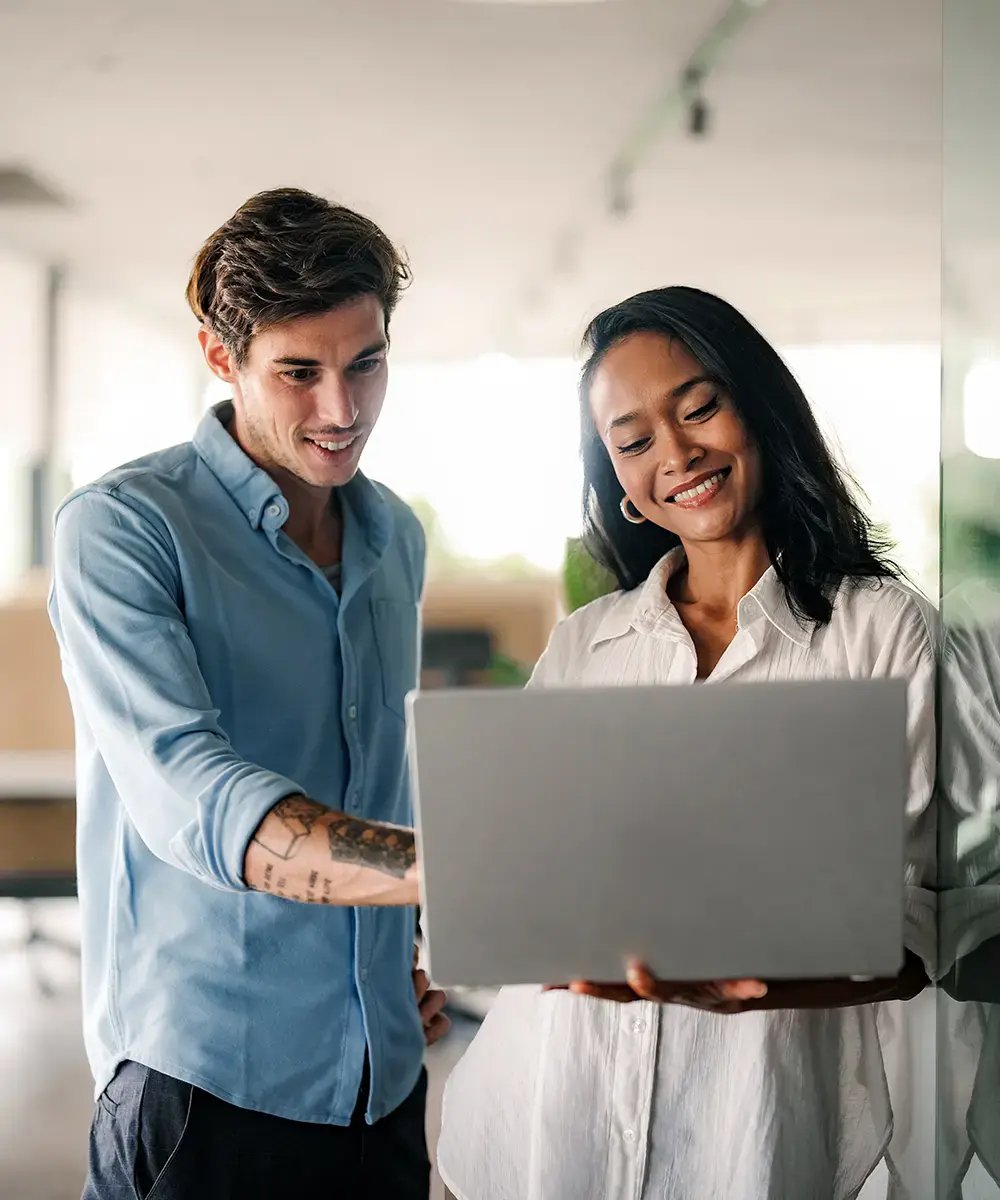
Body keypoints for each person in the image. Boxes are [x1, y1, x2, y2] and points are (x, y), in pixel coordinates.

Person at [437, 286, 936, 1200]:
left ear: (761, 407)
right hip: (545, 1119)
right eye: (632, 441)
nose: (675, 454)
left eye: (698, 407)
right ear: (620, 483)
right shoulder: (587, 645)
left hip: (743, 1130)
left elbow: (923, 924)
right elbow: (518, 872)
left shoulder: (881, 631)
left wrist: (759, 986)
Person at [48, 187, 448, 1200]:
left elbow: (379, 778)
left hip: (382, 1082)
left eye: (366, 364)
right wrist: (452, 870)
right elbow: (195, 793)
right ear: (220, 357)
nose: (341, 410)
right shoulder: (122, 530)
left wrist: (393, 952)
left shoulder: (393, 535)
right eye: (299, 372)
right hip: (205, 1089)